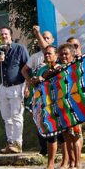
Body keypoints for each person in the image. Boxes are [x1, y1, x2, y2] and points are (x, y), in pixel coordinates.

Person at [0, 26, 29, 154]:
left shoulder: (19, 48)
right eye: (1, 34)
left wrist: (27, 86)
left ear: (10, 35)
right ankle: (10, 142)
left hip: (17, 86)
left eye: (6, 34)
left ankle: (18, 143)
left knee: (17, 116)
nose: (3, 36)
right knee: (6, 117)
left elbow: (27, 68)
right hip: (3, 87)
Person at [28, 45, 65, 169]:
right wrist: (35, 80)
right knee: (50, 135)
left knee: (62, 136)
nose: (47, 56)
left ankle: (64, 163)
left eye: (50, 53)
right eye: (45, 54)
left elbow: (54, 77)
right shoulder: (41, 68)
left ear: (56, 55)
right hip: (46, 105)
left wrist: (43, 78)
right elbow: (36, 82)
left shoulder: (60, 67)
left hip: (60, 104)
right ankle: (50, 165)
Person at [22, 26, 55, 156]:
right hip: (39, 95)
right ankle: (44, 150)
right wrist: (29, 83)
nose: (45, 39)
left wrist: (37, 33)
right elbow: (25, 70)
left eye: (47, 38)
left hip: (52, 95)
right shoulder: (36, 57)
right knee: (40, 121)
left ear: (52, 40)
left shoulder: (55, 56)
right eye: (43, 37)